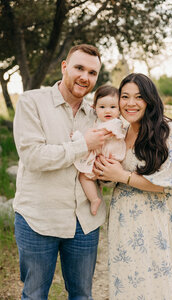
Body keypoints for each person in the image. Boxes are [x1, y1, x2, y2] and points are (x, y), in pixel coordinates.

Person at [13, 44, 111, 300]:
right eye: (79, 68)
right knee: (34, 294)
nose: (84, 77)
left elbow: (103, 161)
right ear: (64, 67)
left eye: (92, 72)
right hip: (38, 217)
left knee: (82, 295)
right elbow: (33, 157)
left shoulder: (97, 114)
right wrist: (83, 146)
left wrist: (107, 171)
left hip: (84, 222)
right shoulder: (31, 102)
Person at [94, 73, 172, 299]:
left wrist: (123, 176)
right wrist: (104, 171)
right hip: (126, 220)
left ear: (150, 99)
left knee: (161, 279)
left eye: (139, 97)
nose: (130, 103)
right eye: (125, 96)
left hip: (160, 219)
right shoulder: (119, 130)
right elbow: (111, 170)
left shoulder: (167, 131)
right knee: (133, 277)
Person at [72, 85, 126, 216]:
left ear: (119, 109)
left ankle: (94, 199)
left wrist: (78, 137)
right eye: (102, 107)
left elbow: (96, 136)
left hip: (109, 155)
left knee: (84, 175)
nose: (108, 111)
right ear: (94, 108)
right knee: (89, 176)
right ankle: (96, 195)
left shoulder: (114, 123)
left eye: (113, 107)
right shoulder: (99, 122)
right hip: (103, 154)